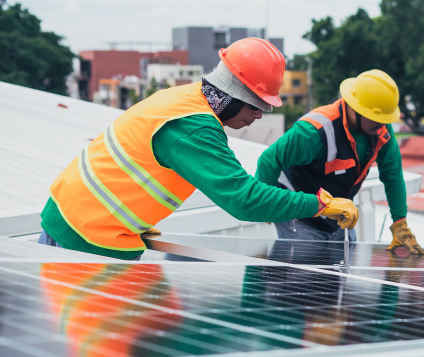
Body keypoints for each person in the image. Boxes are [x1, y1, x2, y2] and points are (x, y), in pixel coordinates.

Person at [38, 38, 358, 260]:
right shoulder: (193, 127)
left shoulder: (185, 98)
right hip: (84, 236)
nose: (260, 115)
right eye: (257, 105)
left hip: (82, 220)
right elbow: (243, 200)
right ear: (234, 92)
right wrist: (318, 204)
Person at [255, 69, 424, 255]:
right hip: (301, 217)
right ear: (355, 109)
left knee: (339, 275)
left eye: (385, 120)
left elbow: (392, 175)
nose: (382, 125)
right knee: (305, 275)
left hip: (340, 216)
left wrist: (399, 222)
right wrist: (266, 206)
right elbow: (269, 161)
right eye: (377, 119)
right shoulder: (314, 131)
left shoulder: (381, 132)